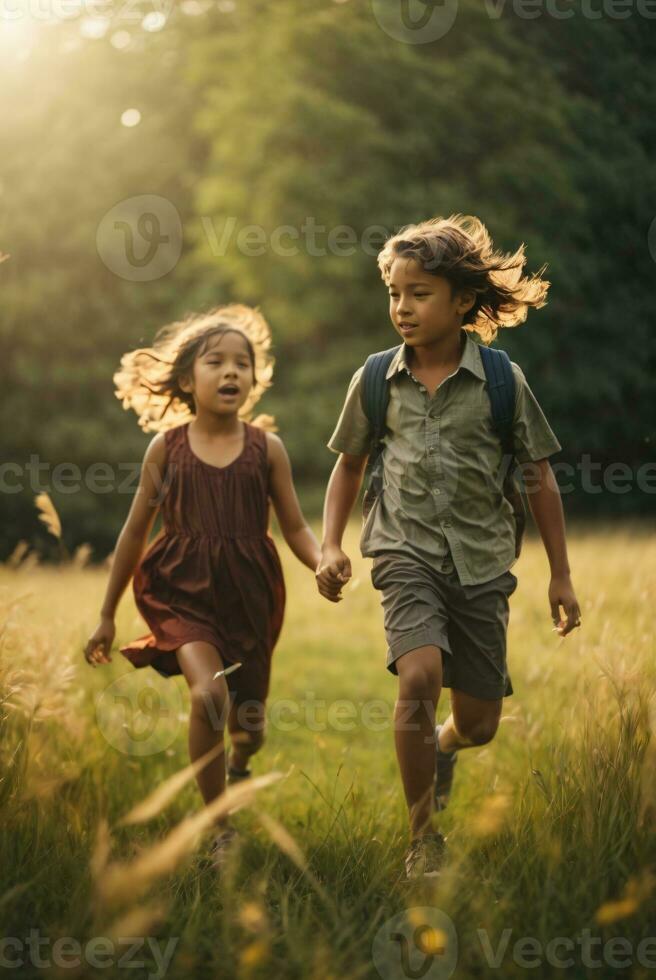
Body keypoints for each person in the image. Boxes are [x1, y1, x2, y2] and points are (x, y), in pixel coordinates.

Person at [315, 214, 582, 879]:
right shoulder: (375, 379)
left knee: (481, 722)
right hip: (404, 553)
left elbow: (537, 475)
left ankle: (444, 746)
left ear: (462, 300)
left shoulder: (500, 381)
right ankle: (422, 839)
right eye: (394, 293)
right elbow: (349, 464)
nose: (402, 308)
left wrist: (560, 576)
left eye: (419, 293)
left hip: (484, 563)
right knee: (418, 675)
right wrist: (330, 545)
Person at [84, 304, 323, 867]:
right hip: (180, 591)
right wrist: (106, 613)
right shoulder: (167, 448)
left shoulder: (269, 452)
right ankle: (220, 828)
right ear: (188, 379)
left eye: (243, 363)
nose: (232, 372)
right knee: (209, 694)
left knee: (248, 723)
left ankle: (240, 761)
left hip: (249, 595)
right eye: (216, 361)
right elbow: (134, 533)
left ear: (254, 380)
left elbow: (294, 526)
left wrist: (322, 562)